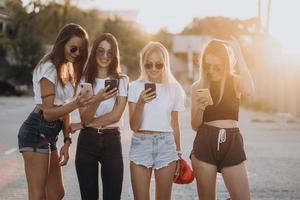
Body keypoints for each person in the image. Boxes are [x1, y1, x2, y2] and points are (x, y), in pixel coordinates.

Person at [17, 23, 91, 199]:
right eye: (73, 49)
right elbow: (49, 113)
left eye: (81, 50)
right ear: (62, 44)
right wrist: (77, 103)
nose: (77, 54)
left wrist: (67, 140)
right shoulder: (49, 68)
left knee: (57, 193)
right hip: (36, 132)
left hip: (50, 136)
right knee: (38, 196)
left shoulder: (66, 68)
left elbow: (63, 108)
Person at [190, 38, 255, 200]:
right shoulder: (198, 86)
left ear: (226, 64)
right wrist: (201, 107)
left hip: (231, 142)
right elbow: (195, 125)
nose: (211, 70)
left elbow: (249, 90)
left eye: (217, 67)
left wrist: (239, 54)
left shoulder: (234, 81)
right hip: (206, 142)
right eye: (207, 66)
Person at [128, 41, 186, 200]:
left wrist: (178, 153)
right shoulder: (134, 87)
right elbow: (133, 126)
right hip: (141, 144)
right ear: (143, 65)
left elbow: (175, 125)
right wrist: (141, 102)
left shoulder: (174, 89)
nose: (153, 68)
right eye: (149, 64)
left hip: (166, 145)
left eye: (159, 65)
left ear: (165, 64)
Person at [74, 33, 128, 200]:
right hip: (87, 142)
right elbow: (85, 118)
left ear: (115, 55)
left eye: (109, 52)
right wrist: (98, 98)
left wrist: (84, 124)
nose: (105, 56)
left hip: (112, 141)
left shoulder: (122, 80)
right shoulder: (84, 80)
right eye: (100, 51)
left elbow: (115, 116)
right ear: (94, 52)